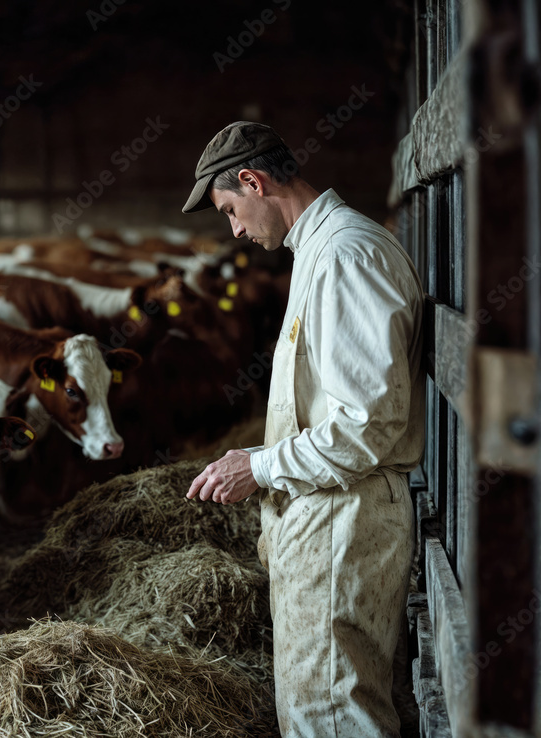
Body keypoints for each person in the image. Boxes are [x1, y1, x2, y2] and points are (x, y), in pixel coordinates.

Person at [182, 121, 424, 737]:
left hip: (347, 517)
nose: (234, 229)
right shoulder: (321, 251)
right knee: (323, 703)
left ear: (253, 181)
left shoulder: (345, 254)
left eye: (230, 211)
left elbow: (366, 425)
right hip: (332, 511)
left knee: (333, 714)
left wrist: (257, 465)